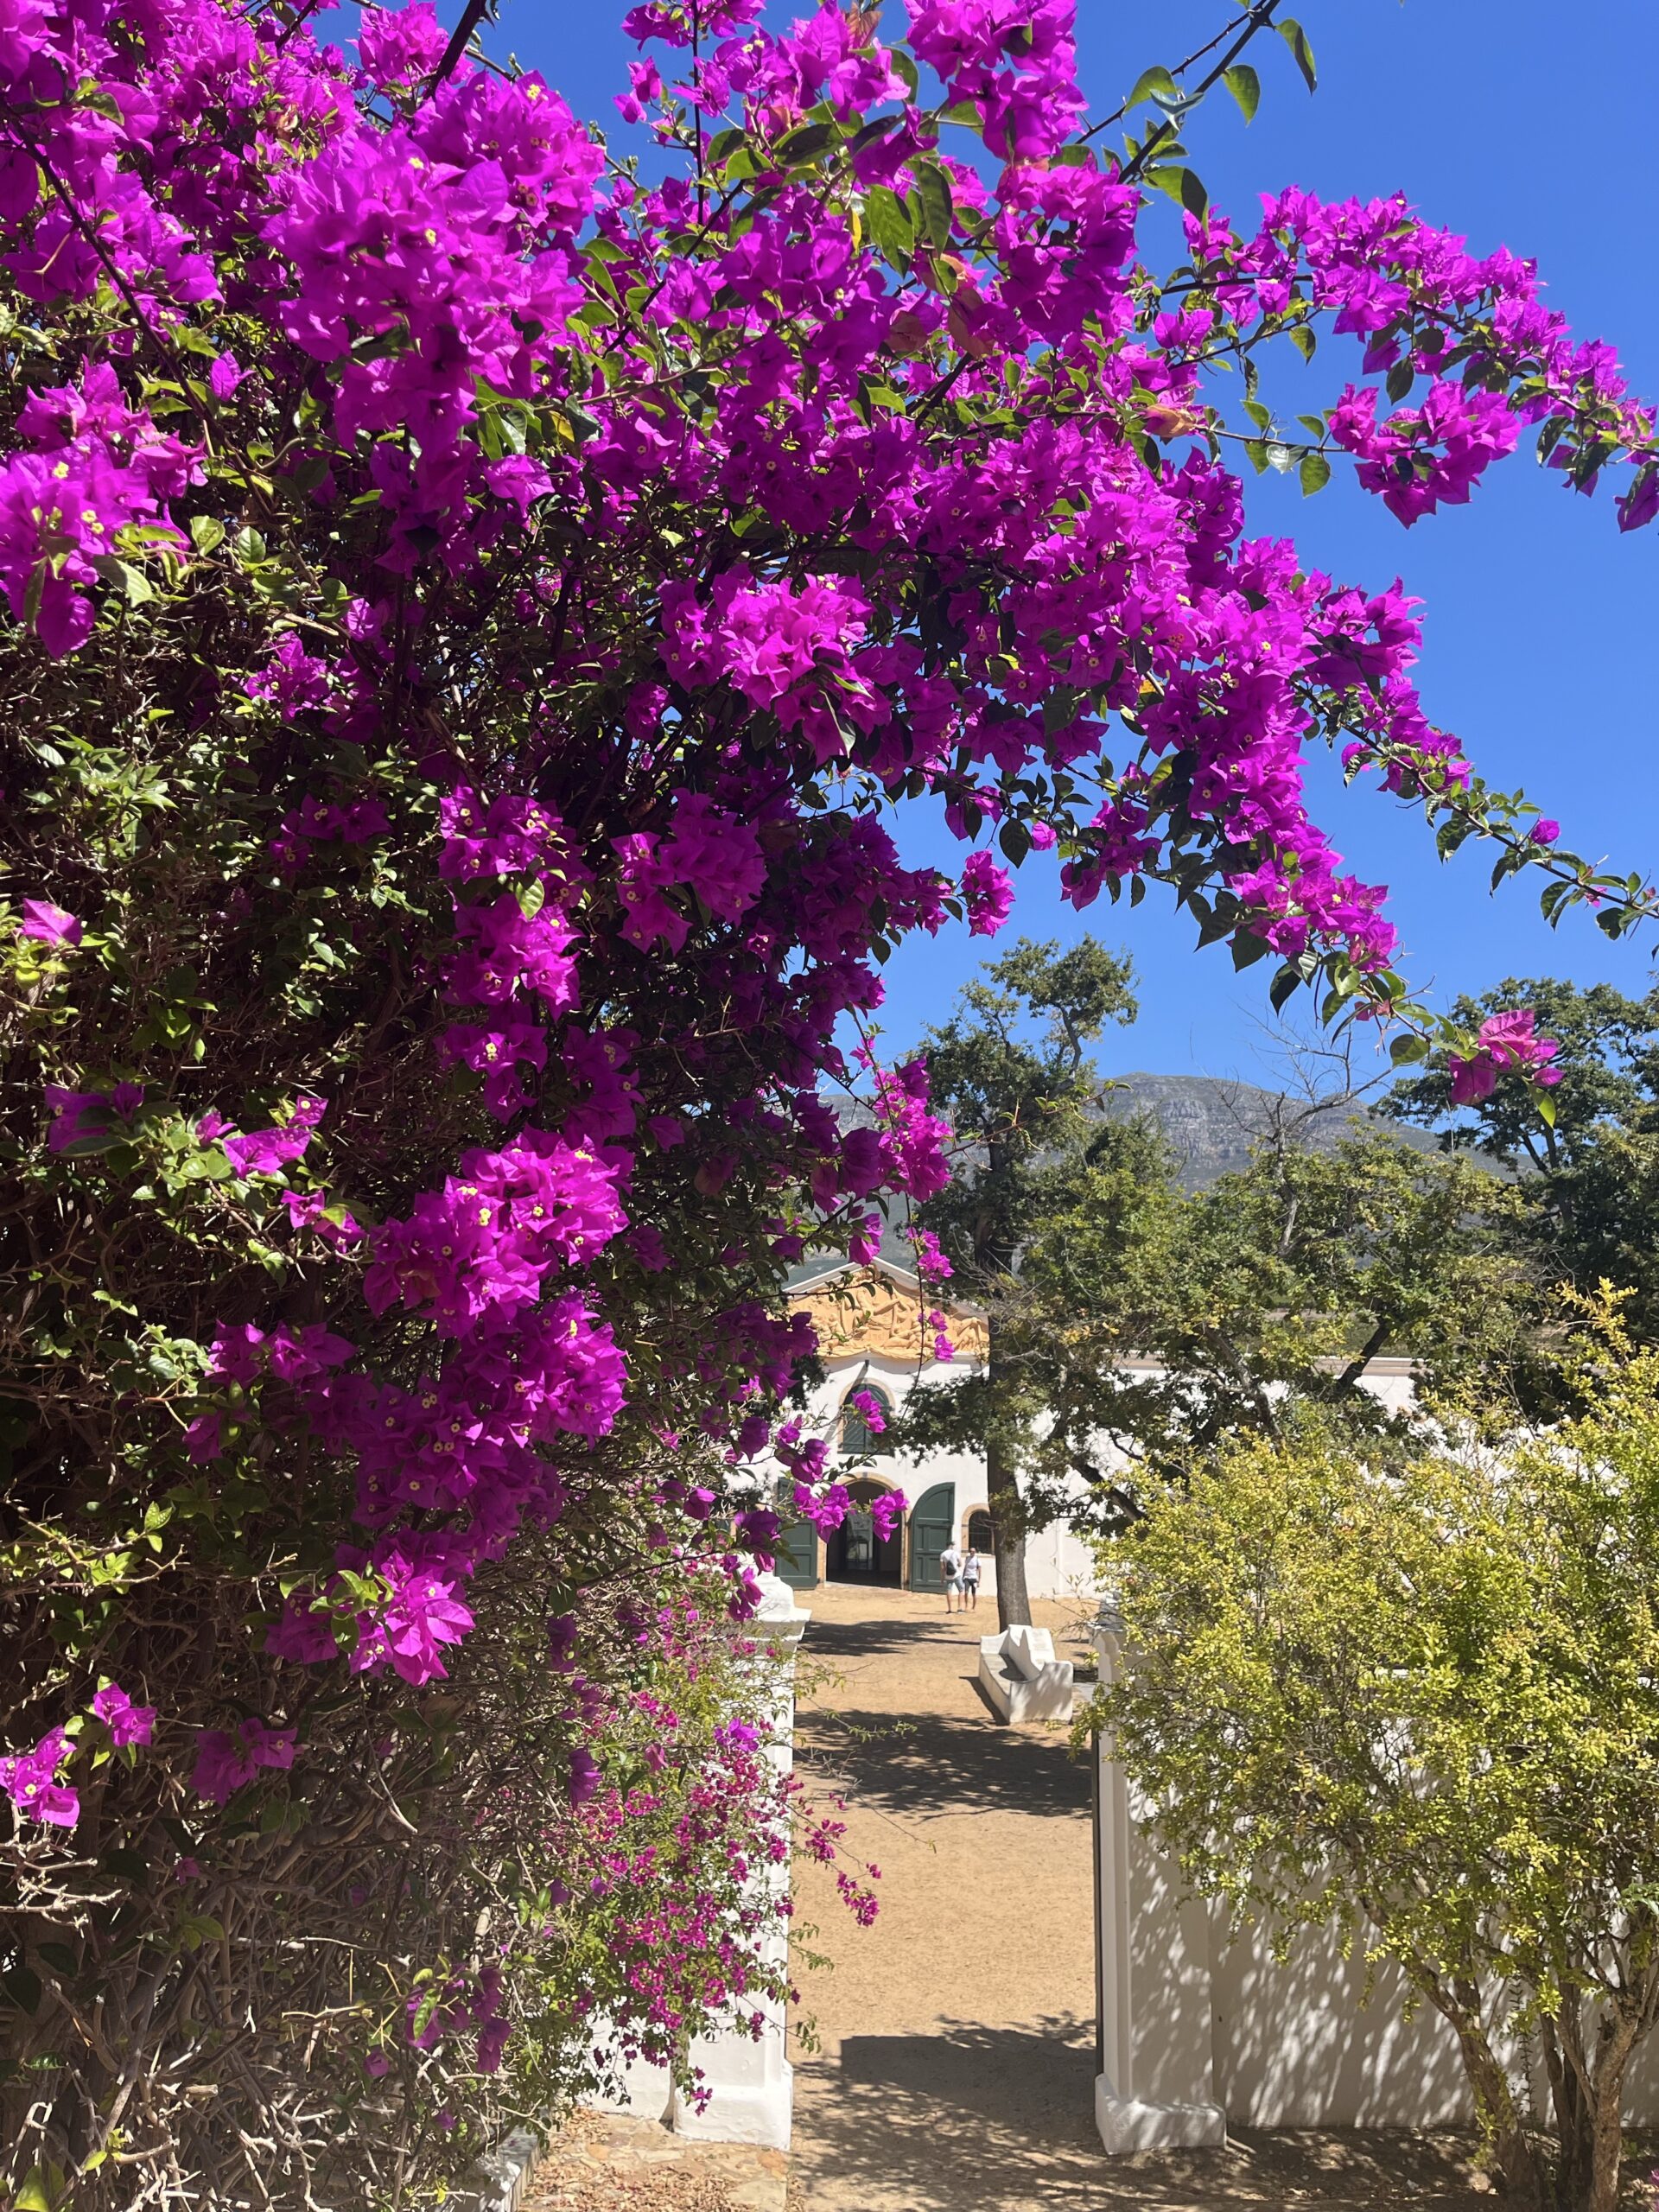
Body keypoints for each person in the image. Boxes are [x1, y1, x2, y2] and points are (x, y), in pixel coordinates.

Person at [938, 1539, 964, 1614]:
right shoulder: (956, 1553)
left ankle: (949, 1609)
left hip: (948, 1575)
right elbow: (960, 1564)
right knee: (961, 1590)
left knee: (949, 1591)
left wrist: (942, 1578)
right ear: (951, 1546)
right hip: (956, 1574)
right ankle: (959, 1608)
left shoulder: (943, 1554)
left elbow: (942, 1568)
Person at [960, 1547, 982, 1611]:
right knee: (966, 1592)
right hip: (967, 1577)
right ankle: (966, 1605)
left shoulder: (977, 1559)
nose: (972, 1552)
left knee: (974, 1593)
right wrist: (963, 1576)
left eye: (973, 1551)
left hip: (974, 1578)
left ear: (975, 1552)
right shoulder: (967, 1558)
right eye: (971, 1551)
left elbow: (980, 1570)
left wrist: (979, 1581)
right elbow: (965, 1568)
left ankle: (973, 1607)